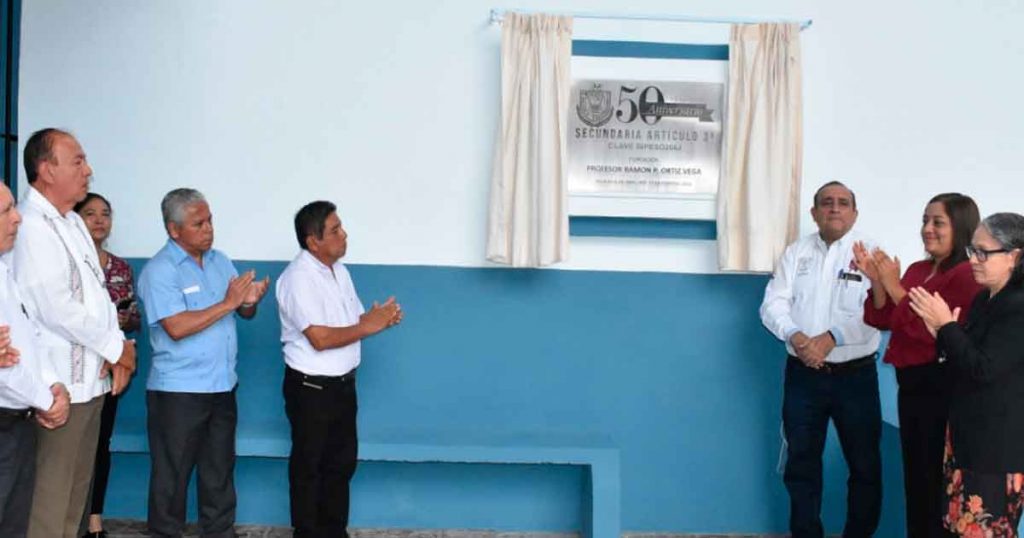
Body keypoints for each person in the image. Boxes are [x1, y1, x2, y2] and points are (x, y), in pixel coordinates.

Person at [13, 129, 137, 538]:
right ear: (47, 170)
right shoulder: (32, 226)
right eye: (78, 161)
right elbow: (55, 306)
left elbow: (97, 298)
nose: (89, 171)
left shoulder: (70, 222)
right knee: (49, 504)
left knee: (76, 502)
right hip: (56, 389)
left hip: (91, 383)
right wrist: (115, 347)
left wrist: (114, 349)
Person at [137, 188, 269, 538]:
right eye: (199, 223)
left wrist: (249, 301)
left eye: (210, 220)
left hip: (222, 386)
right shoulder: (159, 271)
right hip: (178, 394)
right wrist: (229, 303)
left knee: (219, 473)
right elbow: (176, 327)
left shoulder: (219, 260)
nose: (209, 228)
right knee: (172, 479)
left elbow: (243, 311)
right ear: (174, 230)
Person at [760, 181, 882, 538]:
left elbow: (878, 311)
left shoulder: (871, 254)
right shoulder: (796, 253)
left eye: (843, 203)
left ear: (854, 213)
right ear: (814, 213)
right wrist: (796, 337)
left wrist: (832, 339)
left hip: (856, 378)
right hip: (804, 377)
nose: (835, 208)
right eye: (826, 203)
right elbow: (773, 304)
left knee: (864, 467)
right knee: (801, 465)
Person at [276, 201, 402, 538]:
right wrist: (368, 327)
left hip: (343, 388)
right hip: (311, 390)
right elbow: (319, 337)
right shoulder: (297, 279)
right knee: (310, 469)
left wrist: (379, 319)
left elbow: (352, 323)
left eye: (341, 226)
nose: (344, 234)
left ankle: (334, 532)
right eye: (335, 230)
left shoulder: (339, 271)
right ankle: (308, 533)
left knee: (341, 465)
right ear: (312, 241)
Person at [857, 193, 980, 537]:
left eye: (938, 222)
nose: (927, 229)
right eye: (925, 221)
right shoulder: (918, 269)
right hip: (911, 388)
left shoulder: (965, 275)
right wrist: (878, 282)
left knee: (937, 481)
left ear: (961, 227)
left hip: (942, 388)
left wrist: (895, 287)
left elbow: (935, 333)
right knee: (917, 476)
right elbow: (883, 318)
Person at [910, 212, 1024, 537]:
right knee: (958, 528)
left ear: (1014, 256)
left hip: (996, 448)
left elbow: (984, 369)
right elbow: (965, 363)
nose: (973, 259)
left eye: (983, 252)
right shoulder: (985, 298)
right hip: (968, 438)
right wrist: (942, 335)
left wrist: (947, 326)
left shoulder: (1019, 306)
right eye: (973, 250)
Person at [0, 182, 71, 538]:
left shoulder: (4, 271)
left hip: (19, 421)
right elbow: (5, 366)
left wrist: (51, 383)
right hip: (7, 417)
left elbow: (28, 339)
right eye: (5, 211)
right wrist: (47, 401)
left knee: (14, 522)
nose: (17, 218)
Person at [75, 192, 141, 538]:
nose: (99, 220)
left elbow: (134, 321)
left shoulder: (119, 268)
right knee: (70, 447)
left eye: (105, 214)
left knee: (101, 442)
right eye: (90, 214)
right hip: (74, 367)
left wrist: (124, 318)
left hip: (111, 367)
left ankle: (94, 518)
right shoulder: (68, 263)